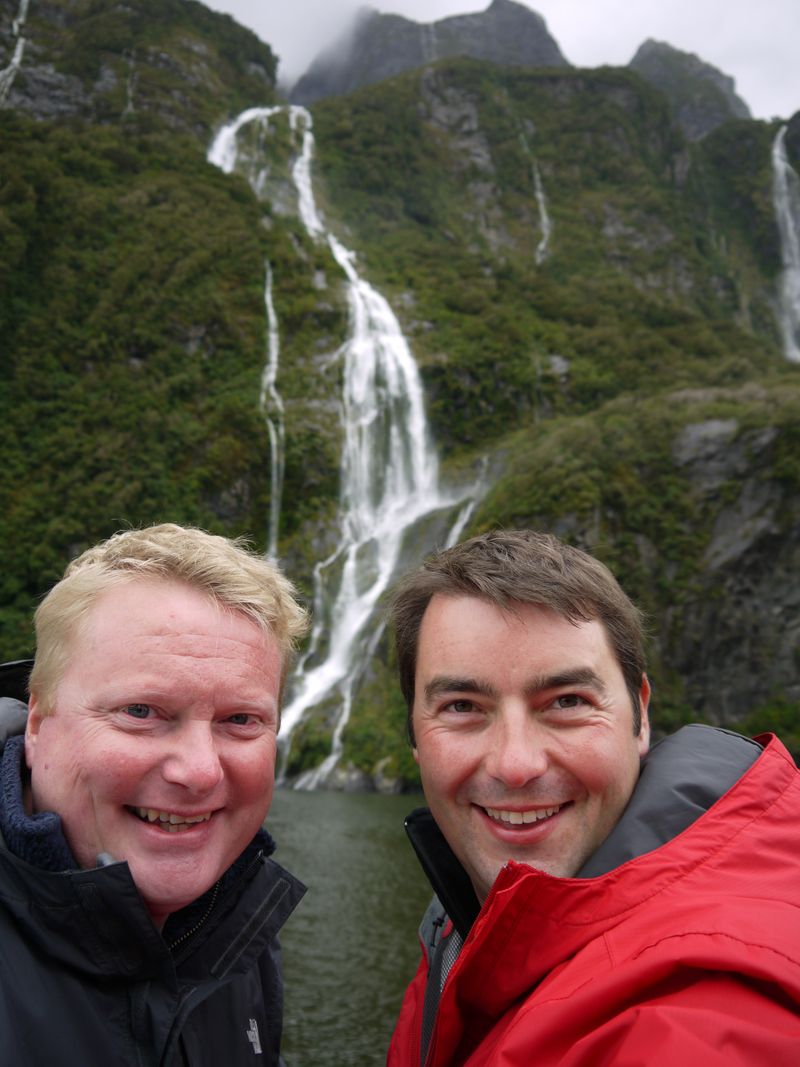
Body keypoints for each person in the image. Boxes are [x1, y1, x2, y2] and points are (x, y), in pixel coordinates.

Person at [386, 529, 800, 1067]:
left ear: (640, 714)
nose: (516, 764)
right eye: (462, 707)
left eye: (566, 701)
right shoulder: (463, 914)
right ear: (415, 733)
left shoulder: (705, 1000)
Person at [0, 524, 309, 1066]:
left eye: (241, 720)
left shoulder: (236, 915)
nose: (199, 771)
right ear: (39, 722)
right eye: (141, 712)